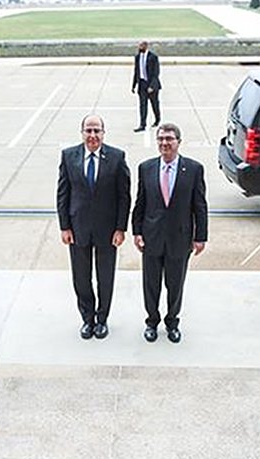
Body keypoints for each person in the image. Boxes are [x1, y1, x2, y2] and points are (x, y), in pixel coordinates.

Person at [131, 123, 208, 343]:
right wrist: (137, 232)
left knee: (175, 284)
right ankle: (151, 322)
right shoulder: (146, 168)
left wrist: (200, 236)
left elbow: (199, 205)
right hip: (151, 238)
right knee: (151, 284)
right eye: (161, 139)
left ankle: (172, 321)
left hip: (180, 239)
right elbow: (140, 203)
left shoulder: (193, 169)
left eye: (169, 139)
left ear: (178, 142)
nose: (164, 143)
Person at [56, 114, 131, 340]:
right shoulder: (69, 156)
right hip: (78, 229)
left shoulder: (117, 158)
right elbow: (63, 194)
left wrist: (120, 228)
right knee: (81, 277)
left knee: (105, 277)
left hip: (107, 231)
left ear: (103, 133)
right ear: (82, 133)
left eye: (97, 131)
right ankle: (87, 319)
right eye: (88, 130)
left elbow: (124, 196)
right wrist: (64, 227)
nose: (92, 135)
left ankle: (102, 319)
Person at [131, 41, 161, 133]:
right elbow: (136, 71)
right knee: (143, 105)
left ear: (146, 46)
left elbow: (156, 73)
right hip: (142, 84)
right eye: (139, 46)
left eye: (141, 46)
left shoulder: (153, 57)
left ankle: (157, 119)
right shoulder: (137, 57)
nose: (139, 47)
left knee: (154, 104)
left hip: (151, 84)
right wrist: (133, 85)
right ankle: (142, 124)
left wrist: (152, 86)